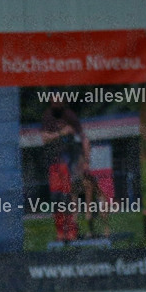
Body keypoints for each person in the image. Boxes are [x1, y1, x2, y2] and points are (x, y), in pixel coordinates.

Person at [41, 92, 91, 243]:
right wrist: (61, 133)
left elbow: (83, 138)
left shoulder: (70, 115)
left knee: (68, 198)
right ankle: (60, 232)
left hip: (69, 162)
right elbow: (44, 138)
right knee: (56, 199)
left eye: (59, 99)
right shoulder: (47, 116)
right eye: (53, 99)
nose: (56, 102)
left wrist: (86, 160)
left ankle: (72, 232)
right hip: (54, 162)